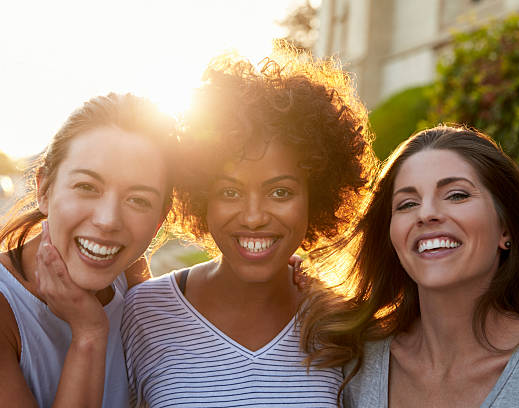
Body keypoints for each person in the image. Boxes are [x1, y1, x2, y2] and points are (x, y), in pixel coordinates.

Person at [122, 49, 377, 407]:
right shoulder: (144, 312)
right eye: (230, 191)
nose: (254, 216)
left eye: (280, 191)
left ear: (315, 197)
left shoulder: (341, 321)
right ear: (202, 197)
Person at [0, 93, 176, 408]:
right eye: (87, 187)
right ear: (43, 189)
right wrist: (89, 335)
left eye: (138, 200)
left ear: (159, 220)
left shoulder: (130, 276)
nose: (108, 221)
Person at [300, 125, 519, 407]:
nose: (427, 213)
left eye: (457, 195)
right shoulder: (351, 362)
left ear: (506, 228)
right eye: (407, 204)